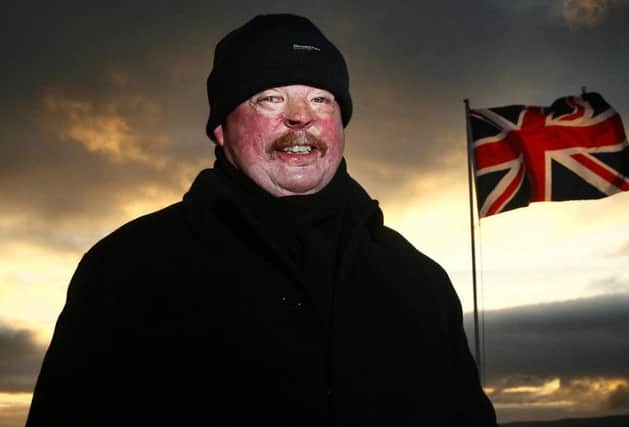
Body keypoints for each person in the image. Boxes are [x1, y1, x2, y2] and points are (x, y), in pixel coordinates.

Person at [26, 14, 496, 426]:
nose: (300, 119)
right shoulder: (126, 271)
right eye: (269, 98)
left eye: (320, 100)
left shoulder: (418, 281)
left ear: (341, 124)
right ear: (220, 128)